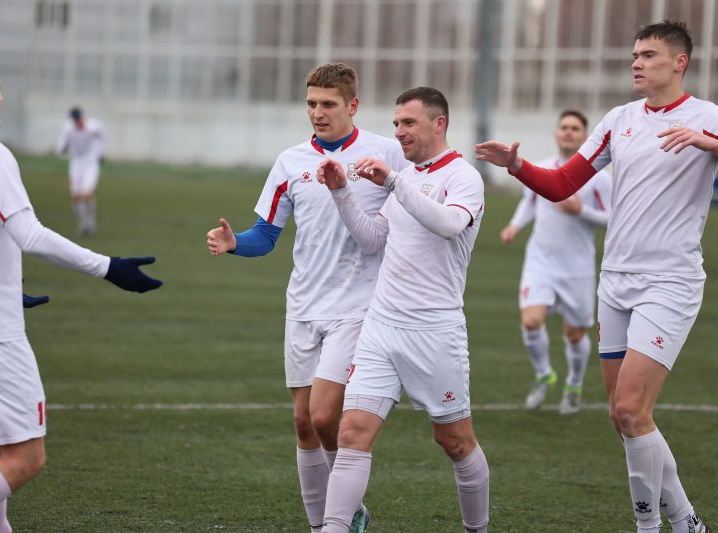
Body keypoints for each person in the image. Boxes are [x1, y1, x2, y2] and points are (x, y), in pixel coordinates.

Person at [475, 20, 712, 533]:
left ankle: (650, 527)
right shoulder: (618, 119)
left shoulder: (707, 117)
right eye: (635, 55)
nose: (637, 63)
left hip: (669, 283)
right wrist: (517, 166)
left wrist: (708, 142)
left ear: (680, 62)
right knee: (623, 416)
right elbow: (562, 183)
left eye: (649, 55)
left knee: (631, 409)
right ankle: (687, 521)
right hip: (615, 281)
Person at [0, 50, 162, 533]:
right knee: (26, 457)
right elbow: (29, 234)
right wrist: (107, 266)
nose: (1, 97)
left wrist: (1, 286)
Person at [206, 63, 408, 532]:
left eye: (328, 104)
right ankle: (331, 522)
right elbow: (266, 234)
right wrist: (235, 242)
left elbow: (411, 206)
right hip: (302, 306)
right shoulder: (290, 162)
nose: (318, 112)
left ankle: (342, 506)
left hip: (357, 307)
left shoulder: (385, 153)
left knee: (323, 415)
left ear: (352, 105)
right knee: (303, 424)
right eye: (312, 104)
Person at [316, 87, 489, 533]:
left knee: (455, 441)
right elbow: (374, 239)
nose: (398, 132)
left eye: (408, 122)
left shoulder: (463, 177)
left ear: (439, 123)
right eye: (395, 123)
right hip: (381, 326)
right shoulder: (407, 177)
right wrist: (342, 193)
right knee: (352, 432)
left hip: (434, 332)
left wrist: (394, 181)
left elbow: (449, 225)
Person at [499, 110, 612, 414]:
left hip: (577, 268)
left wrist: (581, 211)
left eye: (575, 128)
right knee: (531, 321)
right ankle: (543, 374)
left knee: (574, 335)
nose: (568, 132)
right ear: (556, 133)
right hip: (540, 262)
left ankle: (574, 384)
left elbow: (615, 220)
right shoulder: (541, 169)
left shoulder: (599, 179)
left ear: (585, 136)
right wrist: (515, 225)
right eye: (564, 127)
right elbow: (529, 201)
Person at [57, 106, 106, 236]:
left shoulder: (93, 126)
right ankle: (83, 224)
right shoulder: (68, 129)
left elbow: (102, 137)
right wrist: (63, 148)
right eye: (75, 120)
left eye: (79, 119)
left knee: (85, 194)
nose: (78, 122)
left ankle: (90, 222)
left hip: (90, 163)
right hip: (76, 165)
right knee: (76, 197)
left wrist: (101, 153)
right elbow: (61, 147)